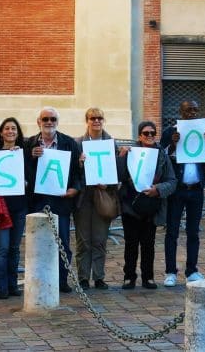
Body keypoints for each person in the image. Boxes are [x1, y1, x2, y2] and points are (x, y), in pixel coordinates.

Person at [25, 107, 83, 293]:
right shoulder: (29, 144)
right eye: (45, 119)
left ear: (57, 121)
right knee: (37, 241)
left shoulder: (69, 143)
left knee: (63, 242)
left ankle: (62, 280)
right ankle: (39, 278)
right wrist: (30, 157)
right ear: (38, 122)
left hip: (61, 201)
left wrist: (75, 188)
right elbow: (23, 171)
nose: (49, 122)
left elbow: (77, 171)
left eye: (52, 119)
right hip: (37, 201)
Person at [159, 100, 205, 287]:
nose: (192, 113)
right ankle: (170, 272)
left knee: (193, 232)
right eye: (188, 110)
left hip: (196, 189)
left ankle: (192, 270)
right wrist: (173, 145)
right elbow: (161, 159)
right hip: (177, 190)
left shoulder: (203, 132)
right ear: (180, 111)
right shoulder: (170, 132)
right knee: (172, 231)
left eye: (195, 110)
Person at [117, 121, 176, 289]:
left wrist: (157, 189)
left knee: (148, 243)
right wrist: (121, 157)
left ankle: (148, 277)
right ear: (139, 136)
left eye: (152, 133)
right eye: (146, 133)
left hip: (151, 205)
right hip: (131, 204)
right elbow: (119, 176)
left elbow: (172, 181)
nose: (149, 136)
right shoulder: (129, 152)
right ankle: (129, 277)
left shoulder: (162, 155)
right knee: (131, 243)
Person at [73, 107, 125, 290]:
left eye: (99, 118)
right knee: (83, 239)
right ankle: (83, 277)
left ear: (103, 121)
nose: (96, 121)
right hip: (84, 197)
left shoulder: (111, 143)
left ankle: (99, 276)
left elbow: (117, 171)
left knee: (100, 239)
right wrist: (79, 164)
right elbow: (73, 172)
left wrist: (109, 184)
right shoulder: (78, 143)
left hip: (103, 196)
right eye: (92, 118)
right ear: (86, 121)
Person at [0, 117, 28, 299]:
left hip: (19, 206)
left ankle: (13, 285)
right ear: (1, 132)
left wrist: (26, 181)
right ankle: (0, 287)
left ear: (17, 133)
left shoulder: (23, 154)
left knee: (14, 248)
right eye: (7, 128)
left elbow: (31, 177)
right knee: (2, 248)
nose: (10, 131)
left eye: (14, 129)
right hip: (1, 207)